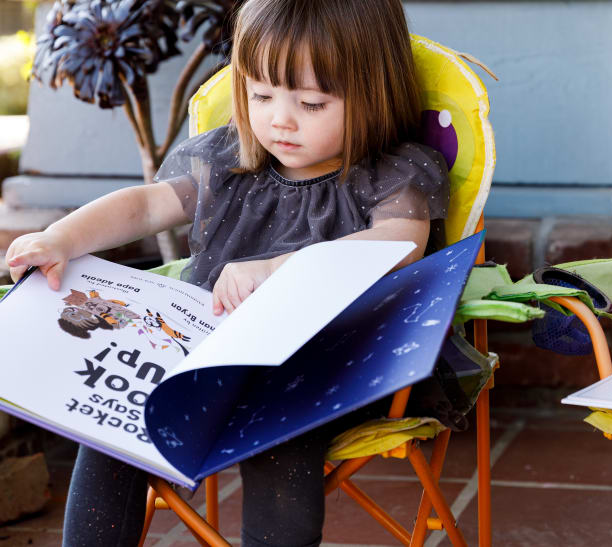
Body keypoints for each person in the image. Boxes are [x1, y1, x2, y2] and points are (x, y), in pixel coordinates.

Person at [5, 0, 448, 544]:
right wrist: (61, 238)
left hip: (323, 368)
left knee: (276, 438)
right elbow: (145, 207)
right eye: (260, 95)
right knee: (112, 428)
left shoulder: (389, 174)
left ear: (372, 94)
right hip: (207, 358)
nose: (278, 120)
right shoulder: (228, 161)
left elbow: (399, 244)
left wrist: (283, 268)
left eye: (311, 103)